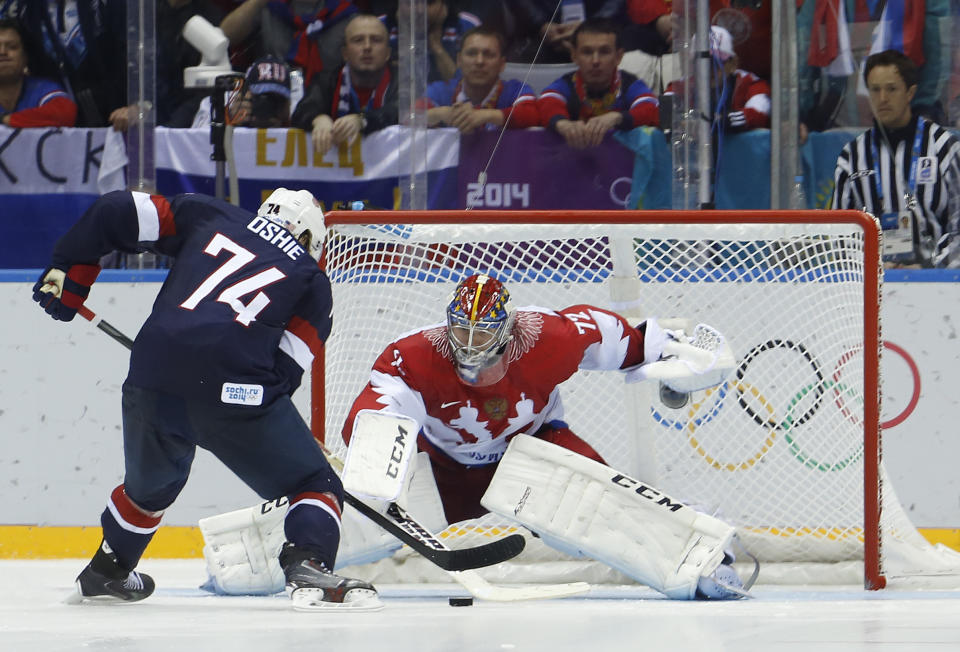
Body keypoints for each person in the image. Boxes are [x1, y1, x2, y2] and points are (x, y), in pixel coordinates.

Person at [31, 188, 382, 611]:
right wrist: (239, 401)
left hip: (152, 373)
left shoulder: (209, 214)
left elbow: (116, 209)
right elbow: (285, 374)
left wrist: (71, 271)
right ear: (311, 239)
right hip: (235, 392)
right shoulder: (311, 278)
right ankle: (309, 561)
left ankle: (109, 569)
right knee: (314, 483)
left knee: (150, 489)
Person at [338, 273, 744, 600]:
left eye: (482, 334)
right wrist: (380, 458)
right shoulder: (413, 355)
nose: (468, 344)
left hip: (532, 447)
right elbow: (377, 408)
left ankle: (704, 555)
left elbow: (630, 342)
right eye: (461, 331)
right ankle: (300, 555)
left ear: (507, 329)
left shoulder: (552, 337)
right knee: (363, 523)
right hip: (446, 468)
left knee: (593, 514)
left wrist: (682, 354)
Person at [831, 49, 960, 269]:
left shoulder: (944, 148)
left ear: (910, 93)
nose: (882, 99)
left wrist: (930, 267)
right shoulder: (851, 156)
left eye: (891, 89)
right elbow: (840, 233)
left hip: (938, 283)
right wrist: (872, 267)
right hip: (872, 282)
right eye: (875, 90)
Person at [537, 17, 659, 150]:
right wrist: (562, 123)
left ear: (618, 57)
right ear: (574, 55)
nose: (595, 61)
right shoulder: (565, 84)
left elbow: (651, 107)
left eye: (604, 51)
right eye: (587, 52)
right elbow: (547, 101)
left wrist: (617, 118)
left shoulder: (630, 84)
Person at [10, 1, 128, 129]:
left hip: (117, 120)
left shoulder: (108, 5)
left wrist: (140, 106)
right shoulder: (25, 10)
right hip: (54, 124)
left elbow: (140, 56)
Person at [291, 12, 397, 155]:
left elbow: (401, 111)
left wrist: (362, 120)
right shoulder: (327, 80)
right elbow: (301, 112)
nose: (367, 47)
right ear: (345, 53)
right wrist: (318, 119)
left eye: (376, 40)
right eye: (358, 40)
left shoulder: (402, 81)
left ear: (388, 53)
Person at [422, 25, 539, 133]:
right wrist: (442, 113)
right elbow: (409, 117)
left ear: (502, 64)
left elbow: (534, 115)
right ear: (459, 60)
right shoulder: (441, 90)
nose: (479, 61)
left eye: (488, 55)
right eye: (472, 53)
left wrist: (485, 115)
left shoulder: (515, 90)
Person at [663, 26, 771, 134]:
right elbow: (661, 112)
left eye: (716, 62)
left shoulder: (751, 84)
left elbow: (758, 114)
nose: (709, 70)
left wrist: (711, 121)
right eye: (702, 63)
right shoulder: (682, 85)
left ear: (733, 63)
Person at [0, 17, 77, 127]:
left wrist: (5, 120)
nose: (2, 52)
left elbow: (65, 114)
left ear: (26, 57)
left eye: (12, 47)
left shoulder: (41, 88)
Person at [381, 0, 479, 83]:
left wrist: (437, 47)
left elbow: (463, 87)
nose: (420, 11)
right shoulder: (379, 27)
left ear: (443, 4)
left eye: (429, 3)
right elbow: (390, 88)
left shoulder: (467, 26)